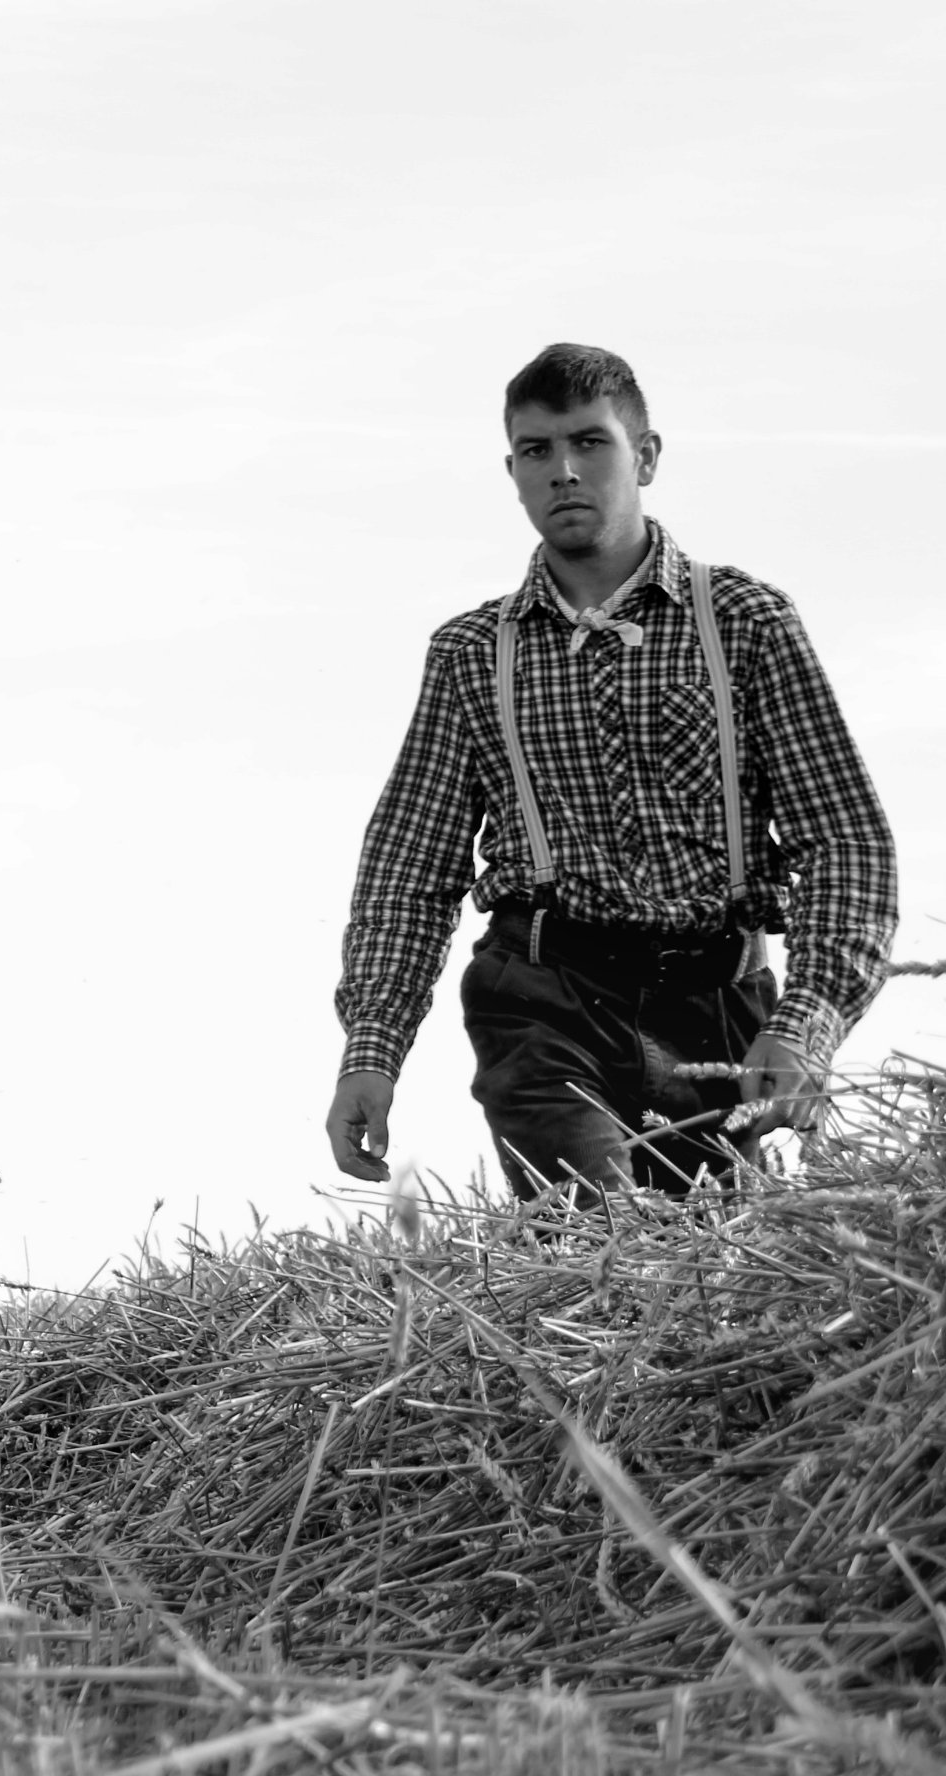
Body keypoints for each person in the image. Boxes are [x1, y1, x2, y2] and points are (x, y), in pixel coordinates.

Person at [326, 344, 895, 1199]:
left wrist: (805, 1021)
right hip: (542, 998)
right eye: (536, 450)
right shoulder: (471, 654)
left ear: (647, 456)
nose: (563, 470)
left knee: (703, 1257)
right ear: (513, 472)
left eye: (590, 443)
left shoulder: (746, 623)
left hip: (716, 1004)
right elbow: (408, 870)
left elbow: (845, 840)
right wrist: (371, 1051)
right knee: (591, 1234)